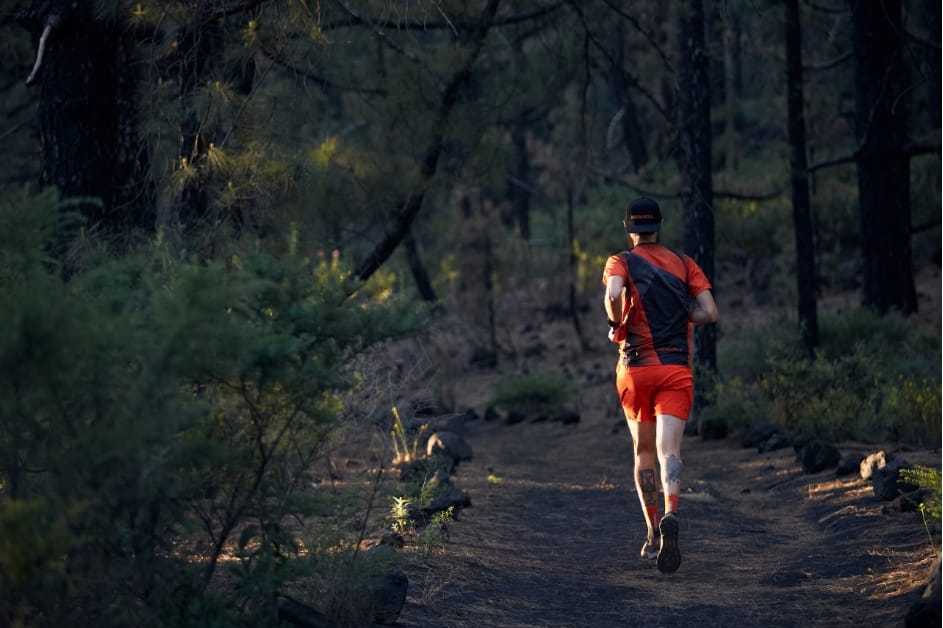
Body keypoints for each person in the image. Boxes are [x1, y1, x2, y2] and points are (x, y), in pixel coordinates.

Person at [601, 196, 718, 574]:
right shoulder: (684, 264)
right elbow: (710, 312)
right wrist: (682, 314)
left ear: (628, 227)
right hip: (674, 369)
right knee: (671, 451)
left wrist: (618, 324)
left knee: (643, 452)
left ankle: (653, 534)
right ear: (659, 225)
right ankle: (671, 511)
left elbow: (614, 293)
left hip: (635, 369)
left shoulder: (620, 261)